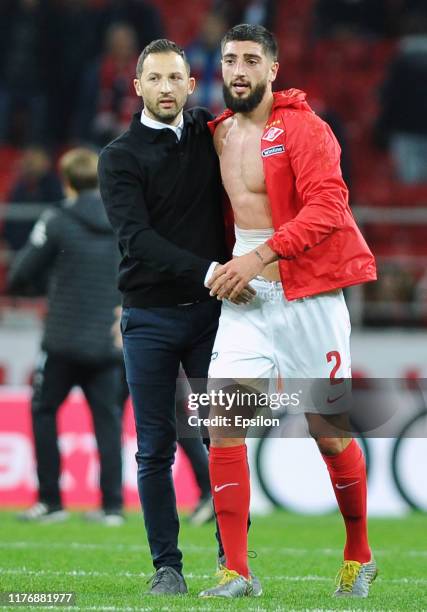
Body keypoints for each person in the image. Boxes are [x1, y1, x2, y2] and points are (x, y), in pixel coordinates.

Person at [198, 25, 378, 599]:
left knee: (328, 432)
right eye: (230, 60)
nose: (240, 70)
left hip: (310, 297)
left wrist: (255, 258)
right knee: (223, 423)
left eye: (252, 59)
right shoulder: (218, 134)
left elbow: (329, 207)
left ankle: (359, 553)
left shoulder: (305, 128)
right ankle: (236, 571)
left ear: (273, 69)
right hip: (247, 303)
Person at [98, 39, 257, 596]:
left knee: (225, 439)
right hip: (149, 318)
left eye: (175, 78)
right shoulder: (118, 157)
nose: (166, 88)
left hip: (214, 316)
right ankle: (168, 566)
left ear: (193, 85)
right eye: (155, 79)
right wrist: (212, 270)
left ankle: (234, 564)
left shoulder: (212, 137)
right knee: (154, 447)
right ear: (137, 87)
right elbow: (136, 240)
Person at [7, 148, 124, 526]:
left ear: (67, 181)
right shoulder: (123, 221)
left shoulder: (56, 219)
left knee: (43, 410)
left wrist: (46, 283)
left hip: (61, 339)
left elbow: (22, 273)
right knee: (107, 421)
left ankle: (50, 501)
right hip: (107, 341)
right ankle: (111, 507)